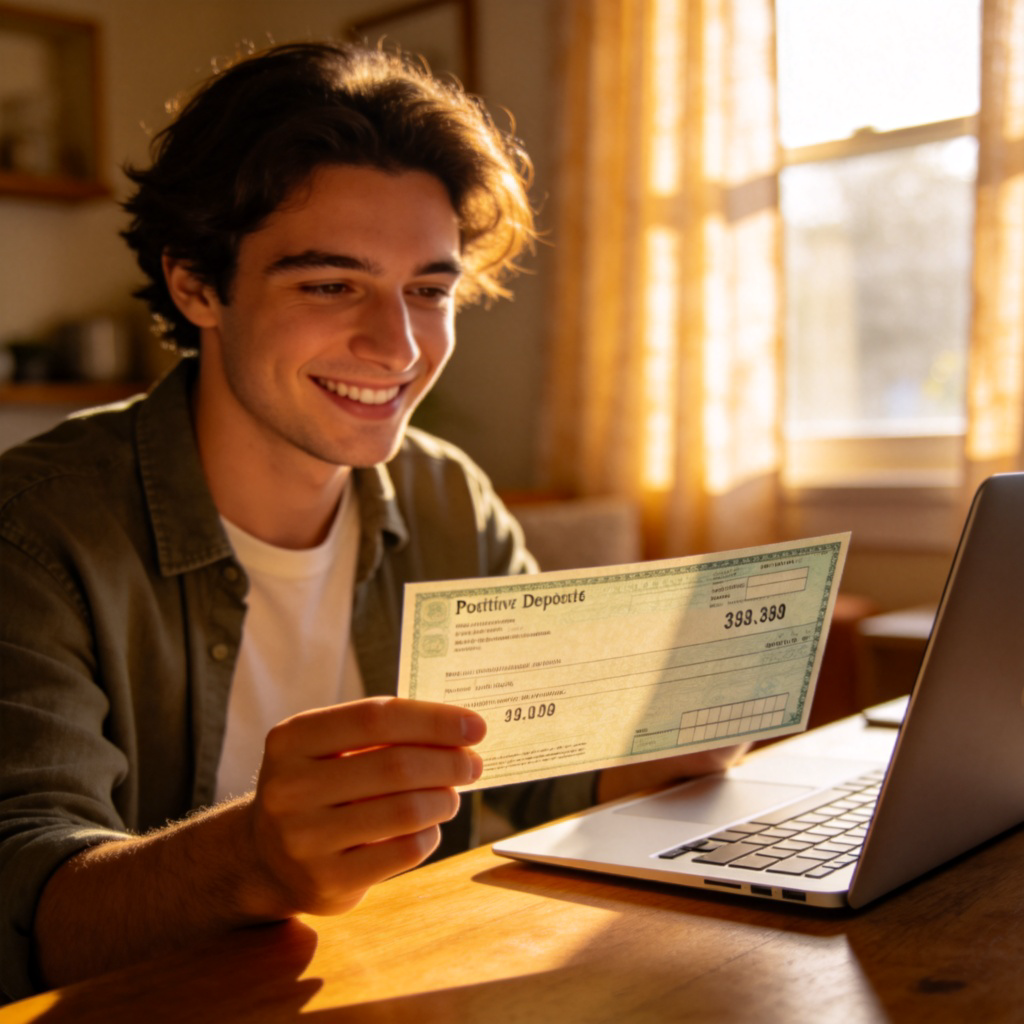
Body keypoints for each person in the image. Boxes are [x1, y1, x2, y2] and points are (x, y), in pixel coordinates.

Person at [0, 42, 743, 1002]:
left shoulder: (448, 498)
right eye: (330, 284)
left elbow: (539, 774)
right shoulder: (33, 531)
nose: (398, 347)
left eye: (428, 291)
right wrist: (255, 856)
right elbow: (25, 911)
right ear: (196, 286)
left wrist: (655, 754)